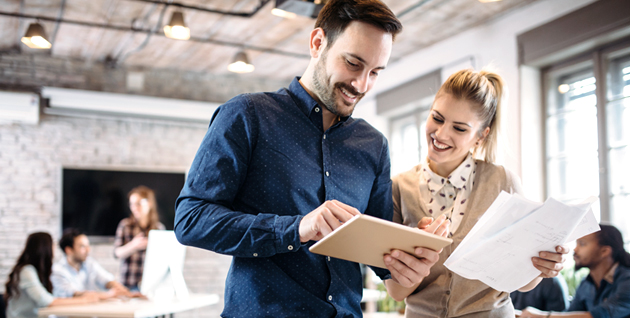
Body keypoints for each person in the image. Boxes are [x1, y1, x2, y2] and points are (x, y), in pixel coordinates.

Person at [174, 1, 447, 316]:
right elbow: (190, 219)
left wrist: (412, 253)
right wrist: (297, 228)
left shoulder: (373, 145)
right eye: (353, 63)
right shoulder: (248, 116)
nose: (362, 85)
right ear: (318, 43)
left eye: (375, 72)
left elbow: (381, 259)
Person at [383, 69, 569, 317]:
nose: (441, 134)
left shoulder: (503, 181)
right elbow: (396, 292)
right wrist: (421, 252)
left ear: (481, 136)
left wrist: (542, 267)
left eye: (459, 129)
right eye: (437, 119)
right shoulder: (398, 187)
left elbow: (522, 282)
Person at [520, 224, 630, 318]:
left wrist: (542, 316)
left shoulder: (627, 280)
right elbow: (570, 314)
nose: (575, 249)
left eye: (582, 244)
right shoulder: (586, 283)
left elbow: (601, 315)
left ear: (604, 251)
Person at [4, 232, 99, 318]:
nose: (54, 250)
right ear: (44, 248)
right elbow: (46, 301)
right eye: (52, 245)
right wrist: (84, 300)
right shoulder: (26, 271)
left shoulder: (38, 271)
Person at [51, 228, 134, 298]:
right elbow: (75, 294)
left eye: (88, 246)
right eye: (82, 246)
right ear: (68, 250)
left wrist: (126, 293)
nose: (88, 250)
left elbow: (107, 280)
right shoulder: (57, 271)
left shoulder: (89, 263)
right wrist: (109, 295)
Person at [114, 185, 165, 290]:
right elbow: (117, 253)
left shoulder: (159, 228)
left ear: (149, 203)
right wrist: (133, 245)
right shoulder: (125, 225)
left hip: (151, 285)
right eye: (132, 204)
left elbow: (163, 259)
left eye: (138, 203)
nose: (134, 208)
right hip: (128, 284)